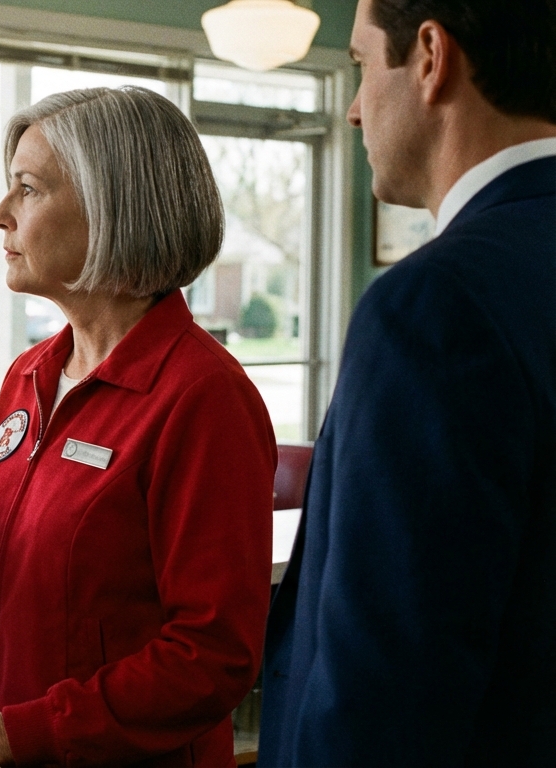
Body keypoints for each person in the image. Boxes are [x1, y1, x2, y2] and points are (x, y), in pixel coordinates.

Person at [0, 86, 277, 766]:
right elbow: (31, 586)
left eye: (28, 189)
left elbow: (211, 658)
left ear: (115, 210)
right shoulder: (30, 374)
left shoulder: (204, 398)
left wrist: (9, 733)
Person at [258, 0, 556, 764]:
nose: (354, 110)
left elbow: (387, 697)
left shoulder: (437, 304)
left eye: (361, 64)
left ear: (430, 57)